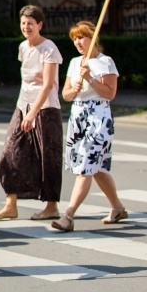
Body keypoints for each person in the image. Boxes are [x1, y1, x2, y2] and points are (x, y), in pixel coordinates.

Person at [52, 21, 127, 232]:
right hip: (78, 115)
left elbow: (110, 93)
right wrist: (74, 89)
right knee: (98, 169)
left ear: (92, 38)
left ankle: (68, 216)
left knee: (86, 166)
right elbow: (65, 95)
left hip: (99, 117)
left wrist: (89, 79)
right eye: (74, 38)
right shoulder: (75, 62)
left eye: (81, 37)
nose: (77, 42)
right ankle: (117, 208)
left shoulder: (106, 62)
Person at [0, 5, 63, 221]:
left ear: (40, 25)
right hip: (23, 105)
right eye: (23, 23)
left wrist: (33, 113)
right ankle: (10, 204)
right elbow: (26, 82)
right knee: (10, 152)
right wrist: (25, 110)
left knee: (47, 158)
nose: (26, 27)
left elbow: (48, 84)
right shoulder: (23, 47)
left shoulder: (49, 48)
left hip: (45, 109)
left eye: (30, 23)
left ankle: (51, 206)